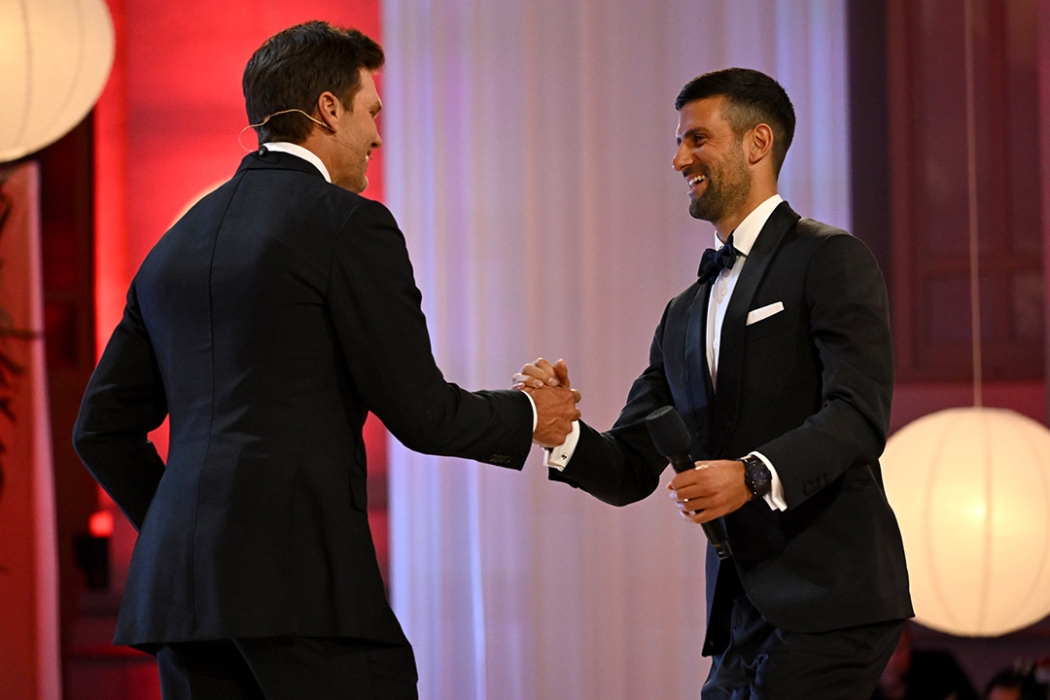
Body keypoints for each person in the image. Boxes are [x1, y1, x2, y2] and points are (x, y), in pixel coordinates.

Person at [72, 21, 579, 700]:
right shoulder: (349, 222)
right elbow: (422, 413)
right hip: (300, 589)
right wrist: (530, 414)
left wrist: (184, 528)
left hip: (183, 597)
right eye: (372, 112)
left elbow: (100, 430)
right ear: (328, 109)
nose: (377, 136)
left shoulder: (175, 242)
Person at [516, 68, 913, 698]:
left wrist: (753, 473)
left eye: (697, 139)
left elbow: (859, 415)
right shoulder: (682, 312)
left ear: (757, 143)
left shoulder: (829, 258)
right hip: (739, 613)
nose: (679, 159)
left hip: (833, 598)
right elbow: (629, 467)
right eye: (679, 142)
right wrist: (560, 434)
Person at [870, 622, 978, 700]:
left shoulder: (940, 669)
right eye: (884, 651)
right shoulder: (857, 687)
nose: (893, 659)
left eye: (901, 648)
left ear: (910, 643)